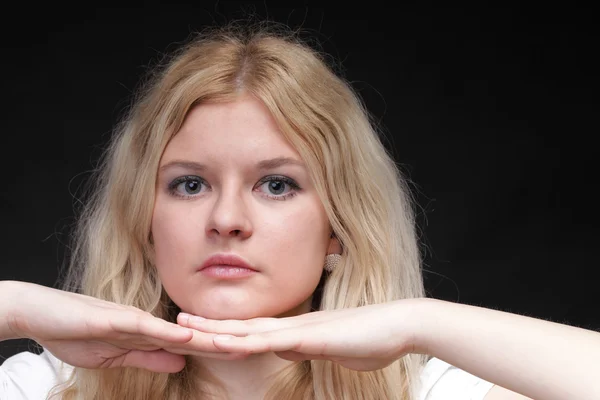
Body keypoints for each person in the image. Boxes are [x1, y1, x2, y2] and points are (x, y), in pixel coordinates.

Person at [0, 22, 598, 400]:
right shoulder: (48, 388)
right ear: (145, 226)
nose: (227, 219)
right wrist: (14, 306)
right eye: (188, 185)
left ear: (338, 230)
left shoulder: (429, 391)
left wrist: (422, 323)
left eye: (277, 185)